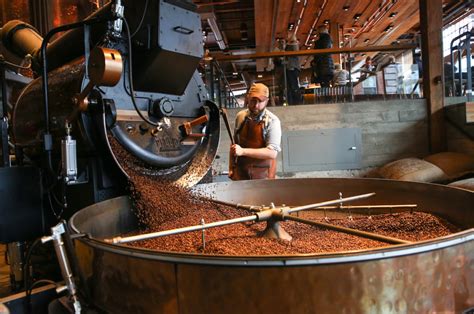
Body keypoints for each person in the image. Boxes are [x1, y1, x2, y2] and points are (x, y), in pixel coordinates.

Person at [229, 83, 282, 180]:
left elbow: (272, 153)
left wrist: (243, 151)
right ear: (247, 98)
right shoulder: (240, 116)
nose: (256, 105)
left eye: (260, 101)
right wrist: (231, 168)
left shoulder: (272, 121)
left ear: (267, 101)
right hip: (241, 174)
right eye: (253, 100)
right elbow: (234, 145)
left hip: (263, 177)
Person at [285, 33, 301, 105]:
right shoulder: (292, 44)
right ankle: (294, 102)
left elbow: (295, 53)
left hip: (292, 67)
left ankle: (296, 102)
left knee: (293, 85)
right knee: (292, 85)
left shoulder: (294, 44)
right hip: (291, 67)